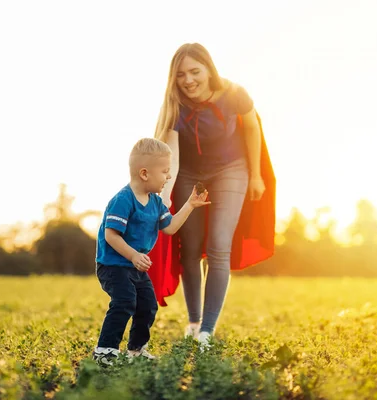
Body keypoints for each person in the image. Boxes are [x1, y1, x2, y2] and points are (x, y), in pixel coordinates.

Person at [150, 43, 276, 349]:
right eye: (181, 75)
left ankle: (207, 329)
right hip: (189, 175)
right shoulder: (175, 103)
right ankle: (193, 323)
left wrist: (257, 175)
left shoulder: (234, 94)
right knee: (190, 250)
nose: (188, 80)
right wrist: (162, 195)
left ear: (209, 69)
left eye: (195, 71)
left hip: (231, 169)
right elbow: (170, 154)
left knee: (219, 246)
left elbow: (251, 129)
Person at [93, 137, 210, 366]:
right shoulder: (123, 200)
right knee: (125, 301)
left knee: (148, 304)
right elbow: (111, 236)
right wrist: (134, 255)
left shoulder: (156, 203)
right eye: (165, 171)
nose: (169, 177)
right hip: (113, 265)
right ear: (144, 173)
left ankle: (136, 350)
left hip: (134, 267)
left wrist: (190, 205)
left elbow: (170, 227)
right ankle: (105, 350)